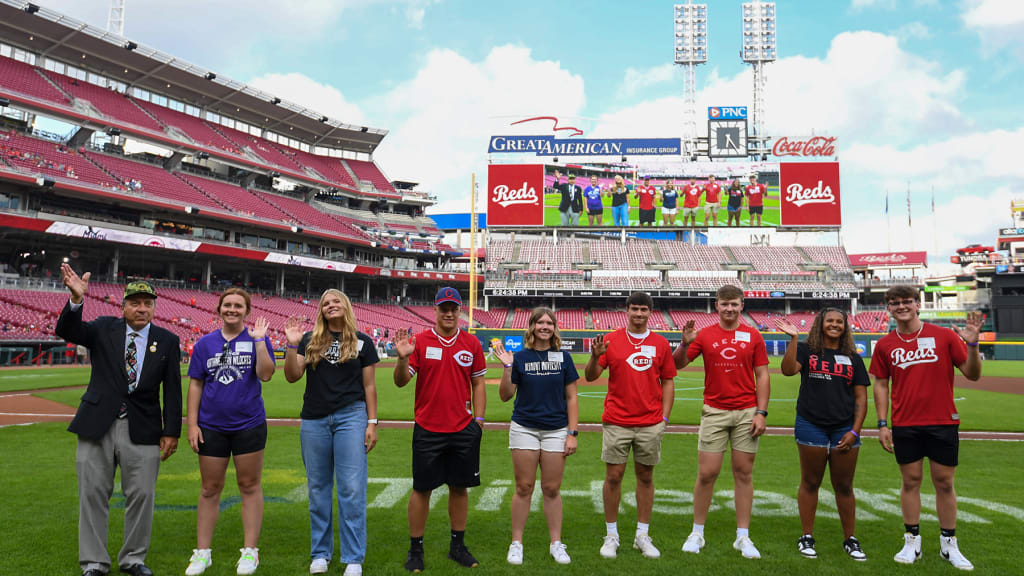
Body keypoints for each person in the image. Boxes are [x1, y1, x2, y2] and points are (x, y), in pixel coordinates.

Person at [56, 264, 181, 576]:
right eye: (135, 303)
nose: (142, 309)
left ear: (154, 308)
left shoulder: (167, 340)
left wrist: (171, 431)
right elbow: (68, 331)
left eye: (147, 304)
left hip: (144, 426)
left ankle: (133, 559)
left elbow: (174, 391)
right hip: (97, 422)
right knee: (92, 494)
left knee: (142, 495)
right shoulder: (102, 328)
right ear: (123, 306)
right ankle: (94, 562)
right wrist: (75, 300)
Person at [870, 286, 983, 570]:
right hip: (905, 423)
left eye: (906, 301)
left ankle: (949, 544)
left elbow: (972, 374)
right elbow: (881, 384)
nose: (901, 306)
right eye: (895, 303)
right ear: (889, 308)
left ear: (917, 304)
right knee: (910, 482)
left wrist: (972, 344)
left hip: (942, 420)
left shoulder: (944, 336)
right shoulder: (885, 344)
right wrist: (882, 423)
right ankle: (912, 540)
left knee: (944, 483)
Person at [283, 289, 379, 576]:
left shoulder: (362, 342)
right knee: (318, 488)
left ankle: (353, 558)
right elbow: (292, 376)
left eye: (336, 301)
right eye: (325, 302)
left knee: (351, 487)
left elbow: (370, 386)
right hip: (314, 419)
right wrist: (291, 346)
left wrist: (372, 422)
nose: (330, 305)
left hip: (351, 415)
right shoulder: (310, 340)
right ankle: (320, 553)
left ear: (346, 306)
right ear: (321, 311)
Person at [393, 287, 487, 572]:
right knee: (422, 489)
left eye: (453, 308)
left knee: (460, 488)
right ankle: (415, 549)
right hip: (428, 427)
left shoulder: (471, 344)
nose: (448, 313)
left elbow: (479, 384)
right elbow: (400, 382)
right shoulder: (420, 341)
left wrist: (478, 422)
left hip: (462, 428)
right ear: (434, 310)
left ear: (460, 311)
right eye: (443, 308)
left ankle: (457, 546)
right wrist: (401, 358)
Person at [673, 284, 770, 559]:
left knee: (743, 473)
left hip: (746, 412)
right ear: (716, 305)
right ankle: (697, 532)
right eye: (724, 304)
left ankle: (743, 536)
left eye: (734, 304)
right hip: (714, 411)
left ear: (742, 306)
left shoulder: (753, 336)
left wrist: (761, 413)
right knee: (707, 473)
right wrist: (685, 343)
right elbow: (677, 365)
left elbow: (762, 376)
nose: (729, 308)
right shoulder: (704, 335)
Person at [184, 288, 275, 576]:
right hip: (211, 426)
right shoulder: (204, 344)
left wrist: (260, 342)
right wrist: (192, 423)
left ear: (246, 311)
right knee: (210, 488)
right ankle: (202, 553)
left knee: (249, 486)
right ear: (219, 309)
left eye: (238, 306)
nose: (232, 310)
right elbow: (196, 384)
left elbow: (266, 374)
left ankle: (250, 552)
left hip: (248, 424)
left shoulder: (257, 339)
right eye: (228, 305)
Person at [585, 292, 676, 560]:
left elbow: (669, 380)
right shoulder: (611, 340)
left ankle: (642, 535)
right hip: (617, 421)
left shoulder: (660, 343)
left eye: (643, 309)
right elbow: (591, 377)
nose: (639, 314)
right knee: (613, 477)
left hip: (650, 422)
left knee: (646, 477)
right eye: (634, 309)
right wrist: (593, 357)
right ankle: (611, 535)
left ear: (650, 312)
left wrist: (665, 418)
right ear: (627, 310)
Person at [777, 309, 869, 561]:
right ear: (821, 324)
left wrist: (855, 430)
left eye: (839, 322)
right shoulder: (807, 350)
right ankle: (807, 536)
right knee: (810, 482)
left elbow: (861, 398)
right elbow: (786, 370)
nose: (835, 325)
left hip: (844, 428)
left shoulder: (853, 357)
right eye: (830, 321)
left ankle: (850, 539)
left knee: (844, 485)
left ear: (845, 326)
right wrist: (794, 340)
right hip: (810, 423)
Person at [495, 308, 580, 566]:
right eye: (540, 322)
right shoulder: (519, 357)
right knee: (524, 487)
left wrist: (572, 433)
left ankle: (556, 543)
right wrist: (508, 367)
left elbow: (572, 397)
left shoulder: (563, 358)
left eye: (549, 323)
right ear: (531, 327)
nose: (545, 326)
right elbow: (505, 395)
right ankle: (516, 543)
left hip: (556, 429)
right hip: (525, 427)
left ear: (554, 328)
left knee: (552, 488)